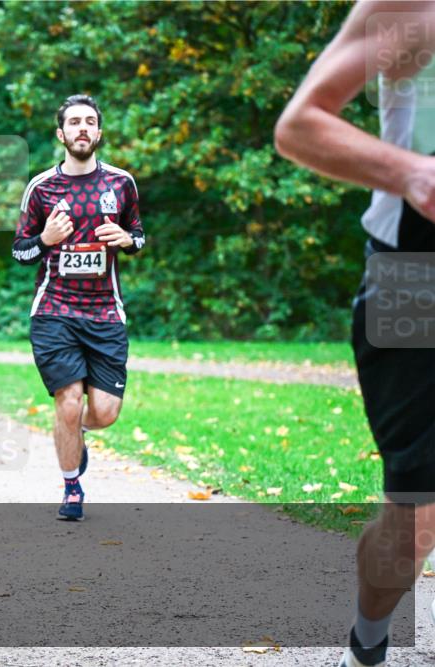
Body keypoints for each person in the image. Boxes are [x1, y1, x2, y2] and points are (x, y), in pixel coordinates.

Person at [274, 3, 435, 666]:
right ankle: (368, 643)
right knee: (417, 510)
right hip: (415, 274)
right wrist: (416, 173)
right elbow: (300, 125)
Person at [12, 94, 145, 521]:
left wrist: (128, 240)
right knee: (68, 400)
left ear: (99, 132)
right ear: (61, 134)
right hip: (54, 310)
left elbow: (139, 235)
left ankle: (76, 434)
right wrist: (45, 240)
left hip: (107, 312)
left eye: (90, 121)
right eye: (74, 122)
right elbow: (19, 252)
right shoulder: (42, 188)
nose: (82, 128)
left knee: (104, 413)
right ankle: (72, 488)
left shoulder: (121, 184)